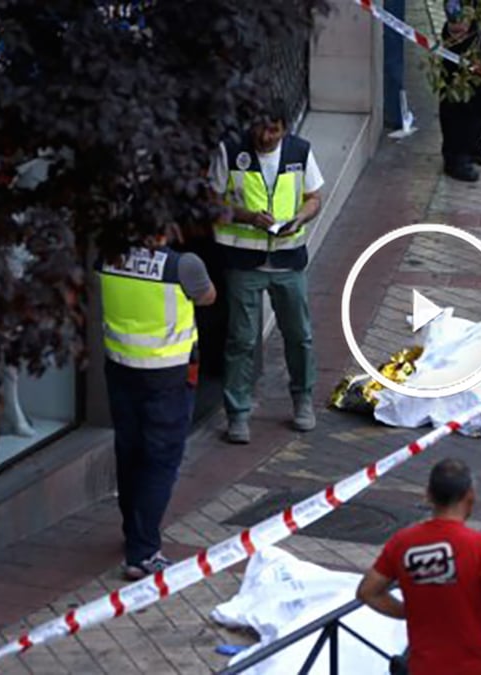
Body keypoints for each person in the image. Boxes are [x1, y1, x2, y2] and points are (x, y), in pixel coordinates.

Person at [98, 228, 216, 580]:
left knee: (129, 452)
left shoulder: (109, 256)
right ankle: (143, 552)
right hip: (168, 377)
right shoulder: (183, 265)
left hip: (120, 368)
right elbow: (208, 297)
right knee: (160, 462)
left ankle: (132, 532)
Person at [209, 99, 323, 444]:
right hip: (244, 260)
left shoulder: (299, 151)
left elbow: (314, 197)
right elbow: (211, 201)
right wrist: (247, 217)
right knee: (241, 340)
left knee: (299, 335)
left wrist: (300, 218)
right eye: (260, 128)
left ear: (284, 129)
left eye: (274, 130)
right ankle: (238, 414)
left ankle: (303, 400)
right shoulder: (230, 151)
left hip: (287, 259)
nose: (266, 136)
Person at [356, 458, 481, 675]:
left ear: (428, 495)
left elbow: (368, 592)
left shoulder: (402, 543)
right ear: (471, 496)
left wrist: (408, 612)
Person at [439, 0, 481, 182]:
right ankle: (455, 155)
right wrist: (455, 16)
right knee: (458, 89)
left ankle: (474, 145)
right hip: (464, 18)